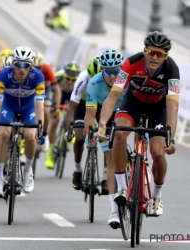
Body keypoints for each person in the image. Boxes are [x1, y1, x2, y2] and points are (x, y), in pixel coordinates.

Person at [98, 31, 179, 217]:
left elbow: (172, 106)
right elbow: (114, 96)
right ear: (145, 51)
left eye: (160, 54)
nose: (155, 57)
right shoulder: (131, 63)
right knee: (118, 133)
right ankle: (122, 188)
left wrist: (171, 137)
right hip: (132, 104)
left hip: (158, 109)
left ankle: (157, 197)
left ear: (165, 56)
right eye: (152, 52)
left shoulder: (171, 69)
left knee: (158, 152)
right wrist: (103, 123)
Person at [0, 46, 45, 196]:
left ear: (31, 66)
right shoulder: (3, 75)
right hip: (9, 106)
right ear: (12, 64)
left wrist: (40, 130)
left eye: (26, 65)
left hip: (29, 108)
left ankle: (27, 171)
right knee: (3, 134)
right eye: (18, 64)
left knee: (30, 136)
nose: (21, 69)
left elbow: (40, 107)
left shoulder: (38, 77)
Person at [84, 50, 125, 228]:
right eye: (109, 71)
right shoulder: (94, 83)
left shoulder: (127, 81)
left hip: (126, 112)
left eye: (117, 70)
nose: (113, 75)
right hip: (105, 116)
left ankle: (139, 168)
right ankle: (114, 211)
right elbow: (90, 114)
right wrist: (90, 132)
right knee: (110, 157)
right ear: (102, 71)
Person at [64, 57, 111, 194]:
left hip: (102, 105)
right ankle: (77, 170)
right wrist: (69, 129)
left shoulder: (109, 80)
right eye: (92, 78)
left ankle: (105, 177)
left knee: (107, 138)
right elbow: (72, 108)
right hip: (84, 105)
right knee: (79, 136)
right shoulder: (82, 79)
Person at [45, 61, 80, 169]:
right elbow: (50, 92)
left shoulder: (80, 81)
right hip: (59, 98)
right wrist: (52, 105)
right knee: (54, 122)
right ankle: (50, 154)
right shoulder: (58, 77)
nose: (70, 82)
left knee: (72, 116)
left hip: (72, 99)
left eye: (73, 80)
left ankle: (70, 132)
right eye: (68, 79)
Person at [32, 51, 61, 152]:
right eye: (34, 68)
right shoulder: (25, 70)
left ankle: (44, 134)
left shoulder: (47, 69)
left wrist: (56, 106)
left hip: (45, 90)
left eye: (39, 68)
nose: (37, 70)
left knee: (45, 111)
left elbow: (57, 89)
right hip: (31, 90)